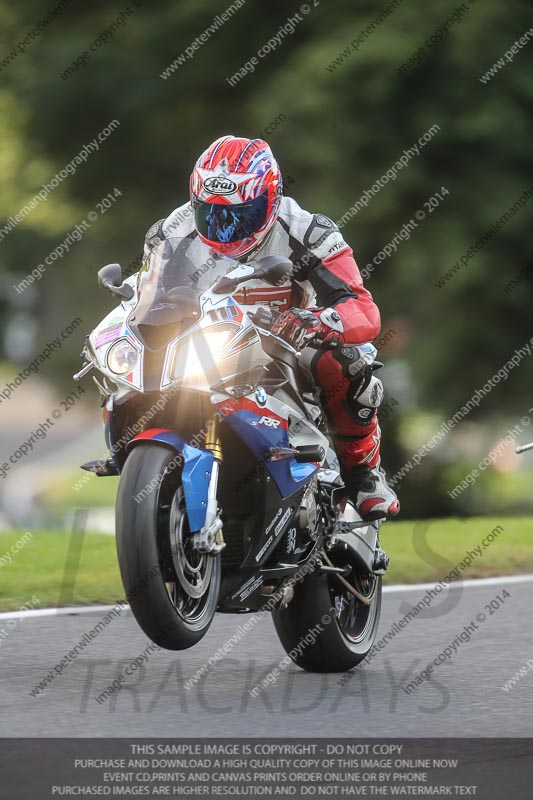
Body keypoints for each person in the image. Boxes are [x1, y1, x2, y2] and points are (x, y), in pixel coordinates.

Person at [143, 135, 399, 521]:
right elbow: (146, 297)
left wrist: (320, 320)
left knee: (346, 362)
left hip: (289, 349)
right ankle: (137, 451)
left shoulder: (309, 232)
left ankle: (363, 473)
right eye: (211, 214)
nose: (225, 229)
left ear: (272, 198)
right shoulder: (170, 234)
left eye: (241, 214)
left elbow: (362, 309)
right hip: (207, 345)